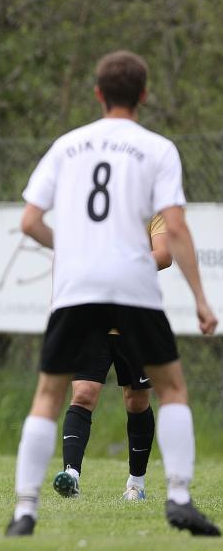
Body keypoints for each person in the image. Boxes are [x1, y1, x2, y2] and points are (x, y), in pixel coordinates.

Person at [6, 50, 219, 537]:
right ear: (144, 96)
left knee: (46, 395)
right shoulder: (158, 149)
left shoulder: (67, 146)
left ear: (98, 94)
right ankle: (180, 499)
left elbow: (29, 221)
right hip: (133, 288)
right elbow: (178, 229)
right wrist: (202, 299)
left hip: (78, 288)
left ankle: (25, 511)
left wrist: (78, 249)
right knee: (172, 389)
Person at [53, 214, 171, 500]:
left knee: (136, 400)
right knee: (83, 393)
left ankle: (136, 485)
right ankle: (71, 475)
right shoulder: (94, 207)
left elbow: (165, 255)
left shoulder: (151, 208)